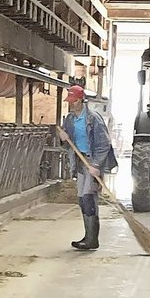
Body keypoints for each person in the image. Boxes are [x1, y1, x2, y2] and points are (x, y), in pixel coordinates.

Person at [57, 85, 114, 251]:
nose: (71, 103)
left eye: (74, 100)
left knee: (89, 197)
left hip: (92, 161)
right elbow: (66, 140)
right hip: (79, 161)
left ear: (81, 100)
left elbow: (104, 144)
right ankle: (88, 236)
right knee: (82, 198)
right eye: (69, 100)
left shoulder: (93, 119)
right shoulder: (69, 119)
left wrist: (96, 165)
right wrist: (62, 138)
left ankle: (92, 239)